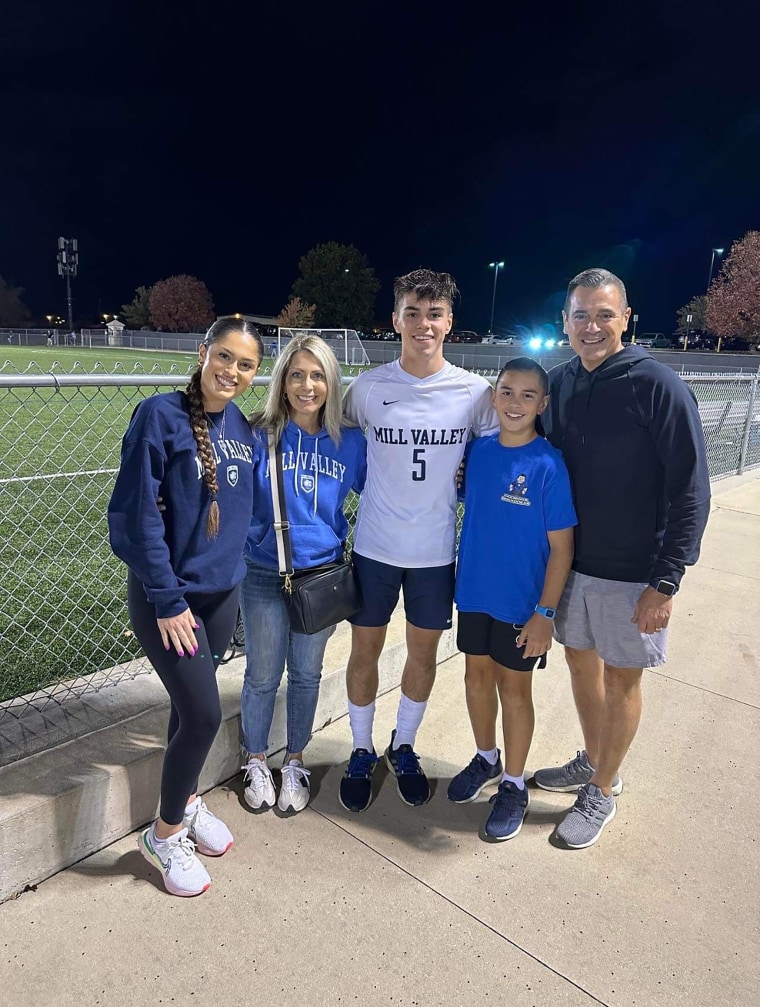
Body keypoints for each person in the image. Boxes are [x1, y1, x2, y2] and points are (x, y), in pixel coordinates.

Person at [534, 268, 710, 848]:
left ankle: (603, 791)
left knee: (622, 681)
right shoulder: (557, 383)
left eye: (604, 314)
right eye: (580, 314)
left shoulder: (658, 385)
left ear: (625, 319)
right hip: (571, 566)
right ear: (565, 321)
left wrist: (668, 577)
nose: (591, 326)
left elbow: (691, 488)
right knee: (580, 666)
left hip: (635, 573)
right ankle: (594, 759)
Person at [108, 316, 264, 896]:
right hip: (168, 601)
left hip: (221, 597)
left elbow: (240, 513)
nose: (232, 371)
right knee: (202, 715)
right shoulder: (159, 415)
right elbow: (135, 516)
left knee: (186, 710)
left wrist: (234, 571)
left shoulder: (242, 428)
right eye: (224, 357)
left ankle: (188, 802)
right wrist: (167, 596)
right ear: (203, 353)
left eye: (245, 364)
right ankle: (165, 833)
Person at [339, 268, 498, 813]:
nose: (423, 323)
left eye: (434, 314)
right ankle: (361, 748)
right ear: (395, 320)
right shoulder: (368, 388)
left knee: (423, 654)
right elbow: (331, 438)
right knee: (365, 650)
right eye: (412, 312)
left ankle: (402, 744)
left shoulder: (475, 394)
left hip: (434, 552)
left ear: (449, 323)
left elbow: (498, 455)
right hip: (374, 547)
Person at [448, 358, 576, 840]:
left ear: (543, 403)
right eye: (506, 392)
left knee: (513, 690)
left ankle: (515, 784)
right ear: (494, 397)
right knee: (475, 677)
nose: (515, 402)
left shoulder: (548, 464)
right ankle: (486, 758)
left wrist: (545, 614)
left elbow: (562, 548)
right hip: (475, 594)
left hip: (523, 605)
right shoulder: (478, 453)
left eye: (527, 395)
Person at [240, 335, 367, 814]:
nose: (307, 385)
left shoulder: (350, 440)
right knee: (262, 675)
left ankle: (294, 760)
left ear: (331, 381)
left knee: (307, 675)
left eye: (317, 375)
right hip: (263, 572)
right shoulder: (259, 432)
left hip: (321, 577)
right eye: (297, 374)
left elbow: (384, 491)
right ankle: (256, 759)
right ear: (282, 381)